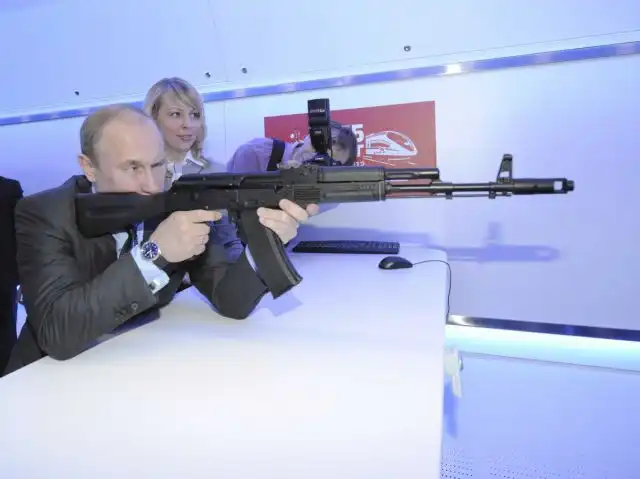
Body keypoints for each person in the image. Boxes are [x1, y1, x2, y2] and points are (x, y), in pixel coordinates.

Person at [3, 104, 317, 375]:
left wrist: (268, 240)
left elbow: (230, 300)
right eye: (132, 167)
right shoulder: (45, 212)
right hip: (42, 379)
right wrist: (155, 254)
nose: (152, 185)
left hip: (139, 365)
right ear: (89, 167)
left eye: (156, 165)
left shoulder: (177, 200)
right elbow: (57, 332)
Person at [143, 77, 214, 189]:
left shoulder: (217, 171)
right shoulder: (139, 176)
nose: (188, 124)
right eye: (176, 114)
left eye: (194, 115)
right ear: (153, 118)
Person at [226, 120, 358, 173]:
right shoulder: (256, 152)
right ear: (311, 133)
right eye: (321, 147)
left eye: (329, 162)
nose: (318, 159)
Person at [0, 175, 23, 374]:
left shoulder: (9, 189)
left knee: (5, 343)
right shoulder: (9, 188)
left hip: (4, 284)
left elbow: (22, 237)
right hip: (5, 281)